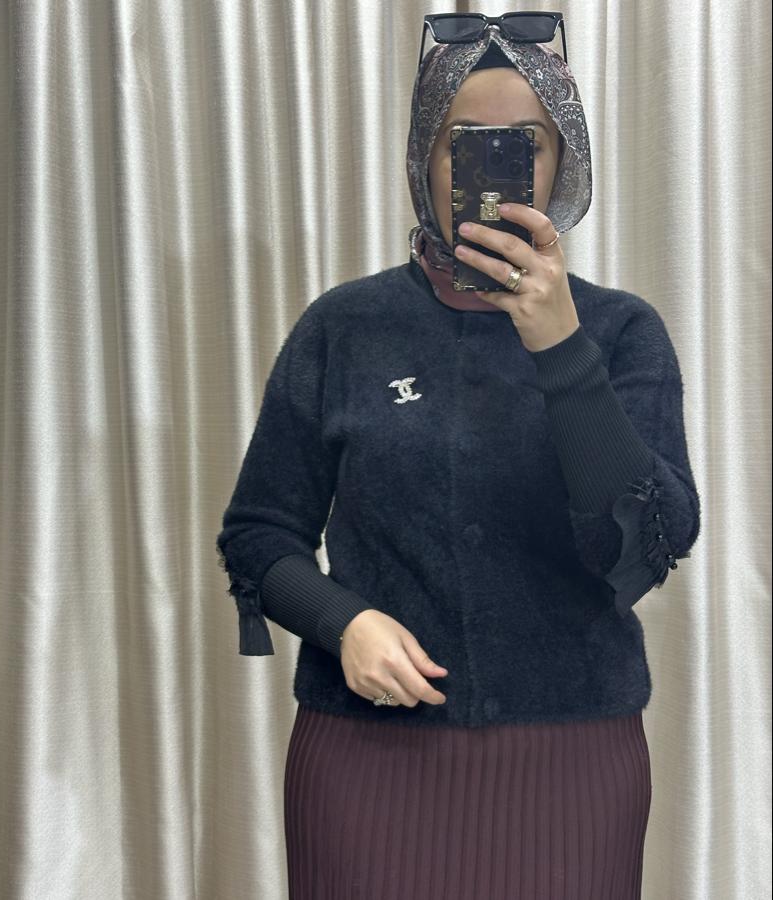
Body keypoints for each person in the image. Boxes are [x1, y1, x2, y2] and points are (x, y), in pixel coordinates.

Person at [216, 20, 701, 900]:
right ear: (424, 159)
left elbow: (644, 546)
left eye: (525, 145)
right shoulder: (344, 327)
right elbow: (258, 535)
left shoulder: (620, 332)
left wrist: (561, 349)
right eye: (465, 143)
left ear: (562, 164)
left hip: (569, 762)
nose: (494, 167)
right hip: (363, 759)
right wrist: (341, 621)